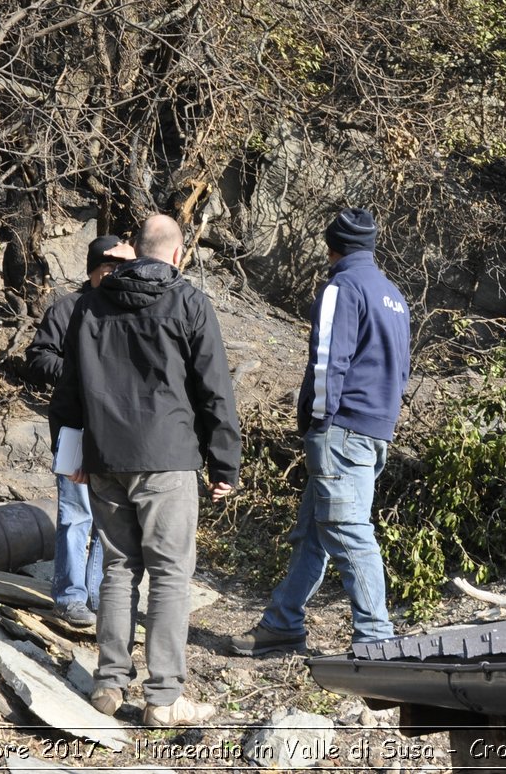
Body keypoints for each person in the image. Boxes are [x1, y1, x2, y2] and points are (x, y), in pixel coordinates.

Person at [50, 214, 241, 727]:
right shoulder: (188, 302)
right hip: (168, 459)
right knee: (171, 574)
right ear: (177, 255)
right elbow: (214, 391)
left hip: (106, 457)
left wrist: (71, 458)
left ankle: (109, 685)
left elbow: (66, 392)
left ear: (135, 250)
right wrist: (225, 461)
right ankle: (163, 698)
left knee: (117, 568)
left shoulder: (89, 304)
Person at [230, 208, 410, 656]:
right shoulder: (393, 295)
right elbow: (402, 368)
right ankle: (282, 624)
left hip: (341, 430)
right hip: (374, 430)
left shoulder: (342, 287)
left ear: (332, 246)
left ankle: (376, 638)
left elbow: (330, 363)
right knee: (314, 533)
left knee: (350, 533)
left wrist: (318, 423)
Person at [24, 235, 136, 627]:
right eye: (105, 269)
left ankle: (97, 595)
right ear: (90, 271)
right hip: (73, 426)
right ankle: (70, 596)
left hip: (118, 431)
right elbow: (38, 358)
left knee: (112, 516)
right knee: (75, 512)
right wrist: (77, 375)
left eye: (118, 269)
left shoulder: (130, 312)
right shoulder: (67, 308)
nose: (111, 276)